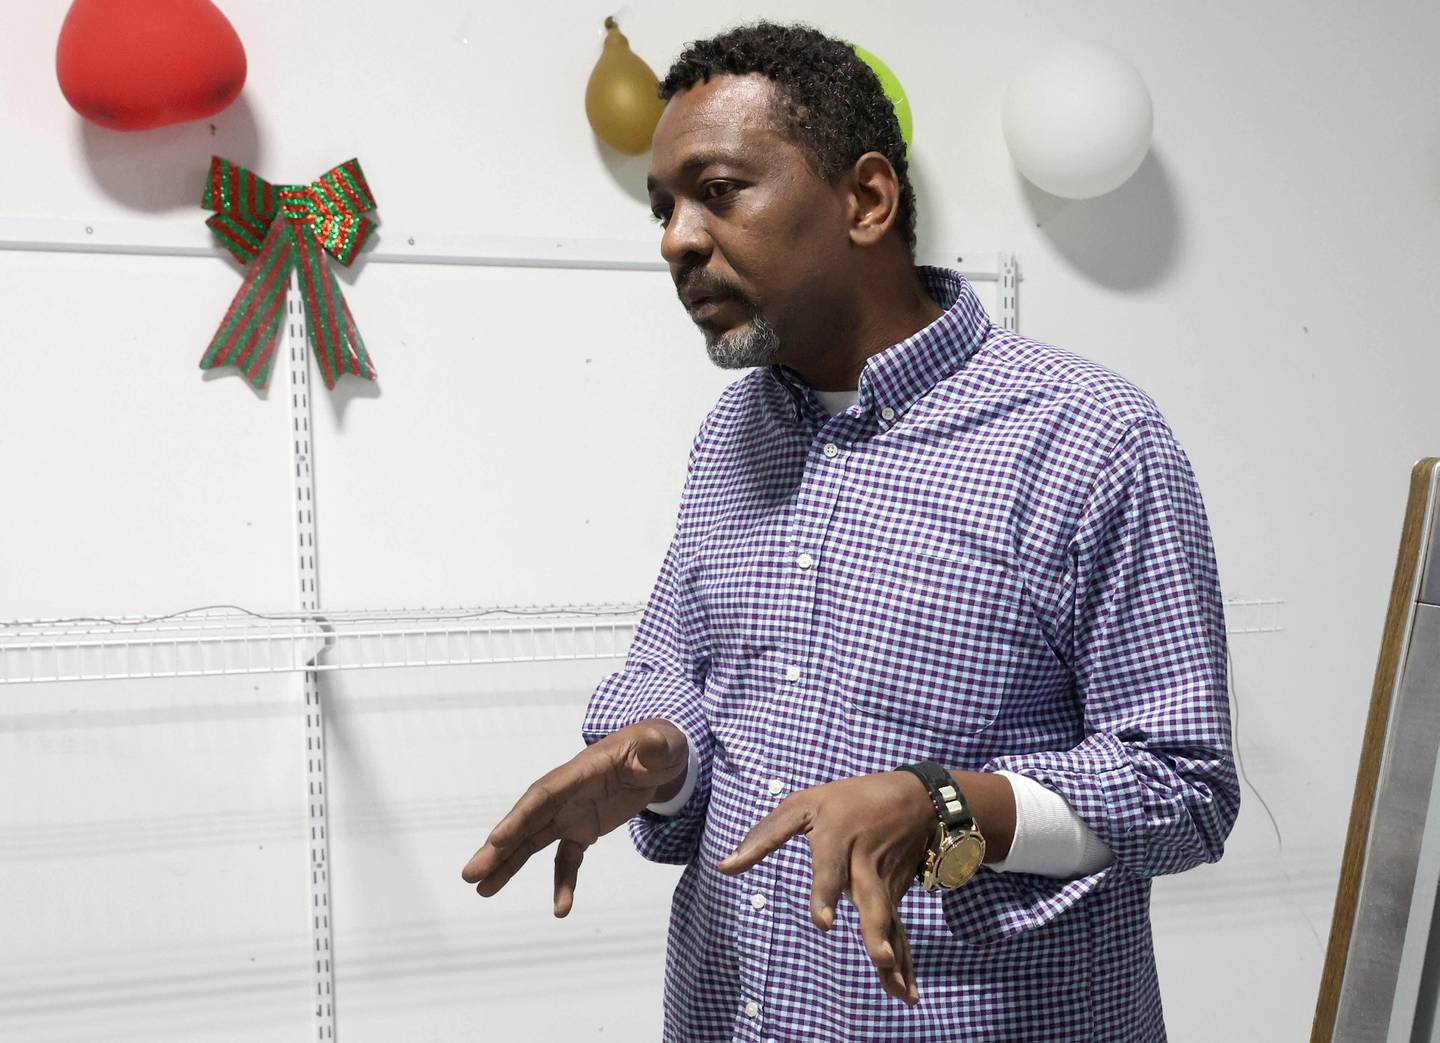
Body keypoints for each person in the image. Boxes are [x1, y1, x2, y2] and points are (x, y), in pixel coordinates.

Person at [462, 20, 1238, 1042]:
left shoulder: (1092, 442)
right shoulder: (734, 432)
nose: (675, 239)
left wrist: (949, 805)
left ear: (866, 200)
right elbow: (672, 667)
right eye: (663, 207)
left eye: (719, 190)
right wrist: (663, 753)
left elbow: (1183, 789)